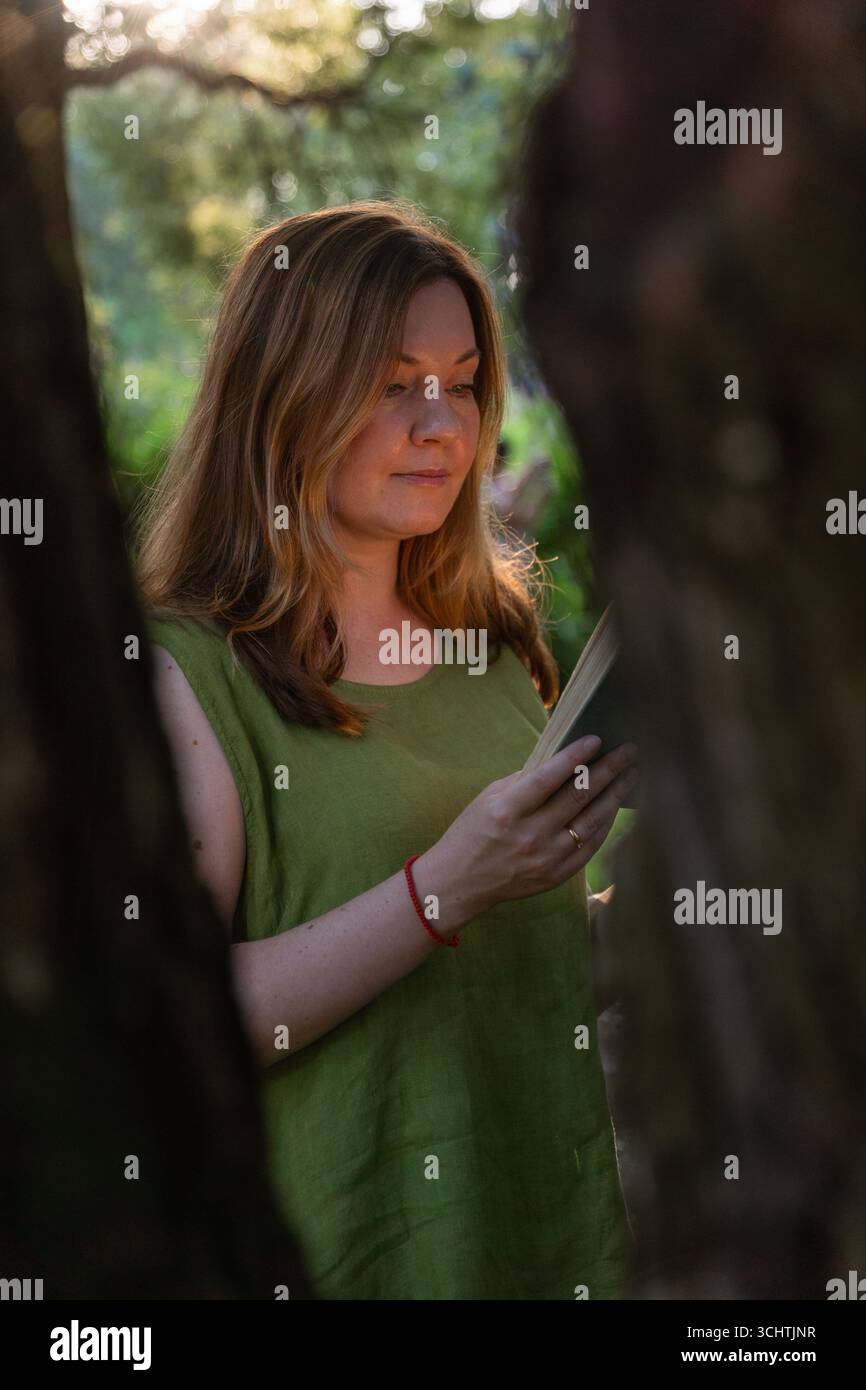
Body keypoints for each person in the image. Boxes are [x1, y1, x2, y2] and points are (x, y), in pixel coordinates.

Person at [134, 199, 638, 1300]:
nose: (442, 422)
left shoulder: (491, 645)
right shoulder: (189, 675)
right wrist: (436, 892)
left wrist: (658, 914)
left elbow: (528, 954)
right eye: (389, 380)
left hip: (545, 1246)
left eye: (460, 381)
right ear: (281, 393)